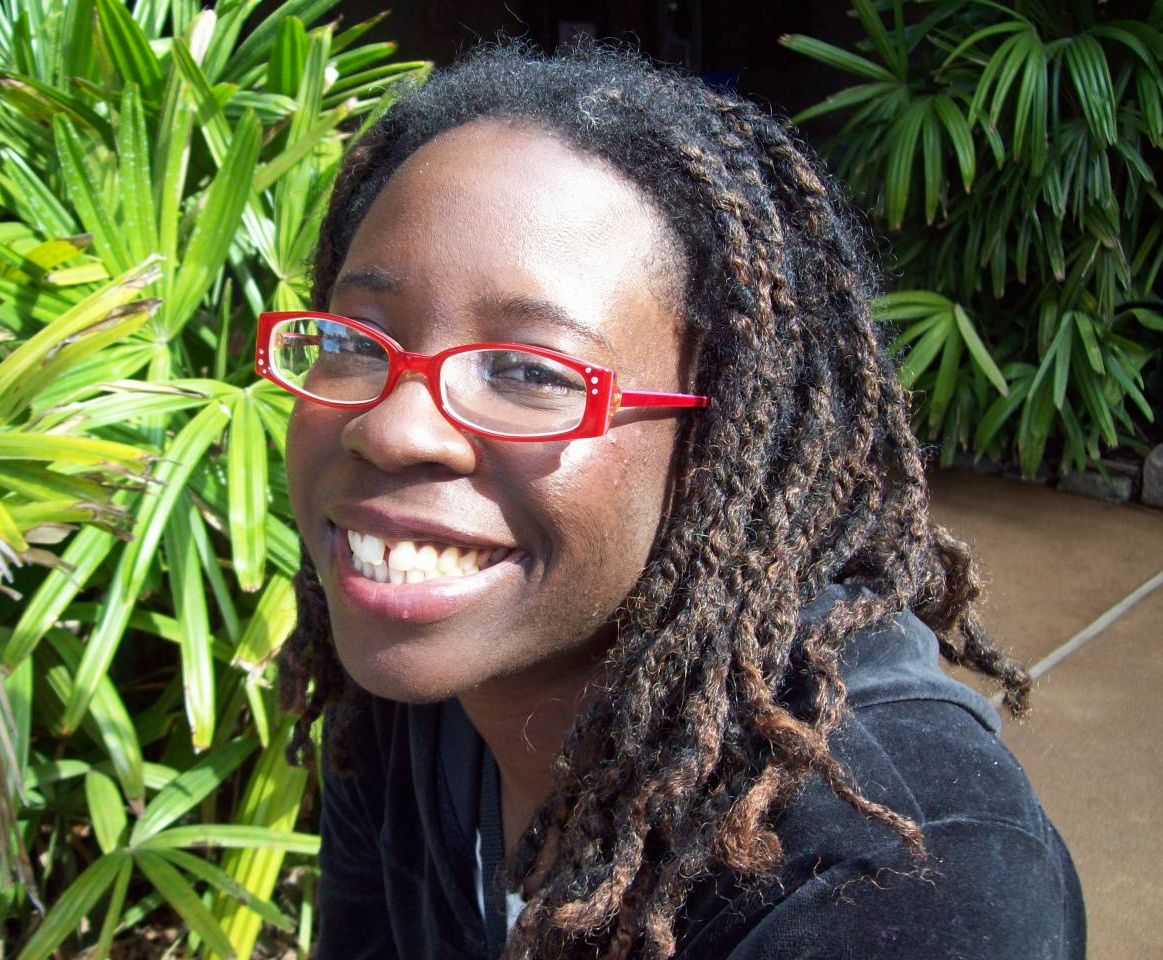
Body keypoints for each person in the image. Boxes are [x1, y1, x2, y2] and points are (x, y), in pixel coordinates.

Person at [266, 43, 1085, 960]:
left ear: (719, 435)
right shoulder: (417, 673)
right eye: (356, 340)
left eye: (531, 372)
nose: (392, 429)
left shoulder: (906, 880)